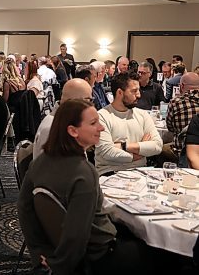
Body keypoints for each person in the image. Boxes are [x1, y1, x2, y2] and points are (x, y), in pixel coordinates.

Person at [18, 99, 154, 275]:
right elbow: (76, 234)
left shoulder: (40, 162)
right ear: (73, 131)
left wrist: (39, 253)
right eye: (93, 123)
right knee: (168, 254)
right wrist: (58, 265)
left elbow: (24, 208)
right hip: (100, 256)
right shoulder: (83, 172)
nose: (101, 128)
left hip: (62, 251)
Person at [95, 72, 163, 175]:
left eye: (138, 90)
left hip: (141, 171)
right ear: (119, 93)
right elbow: (108, 152)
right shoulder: (102, 116)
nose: (139, 95)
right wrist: (140, 153)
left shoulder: (142, 115)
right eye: (134, 91)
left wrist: (123, 146)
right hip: (110, 172)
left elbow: (157, 146)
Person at [33, 78, 93, 160]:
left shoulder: (65, 120)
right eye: (89, 100)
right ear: (76, 101)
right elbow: (57, 170)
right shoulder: (54, 127)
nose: (91, 105)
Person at [164, 72, 199, 163]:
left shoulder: (176, 102)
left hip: (181, 150)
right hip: (195, 151)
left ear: (182, 86)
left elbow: (170, 127)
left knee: (161, 149)